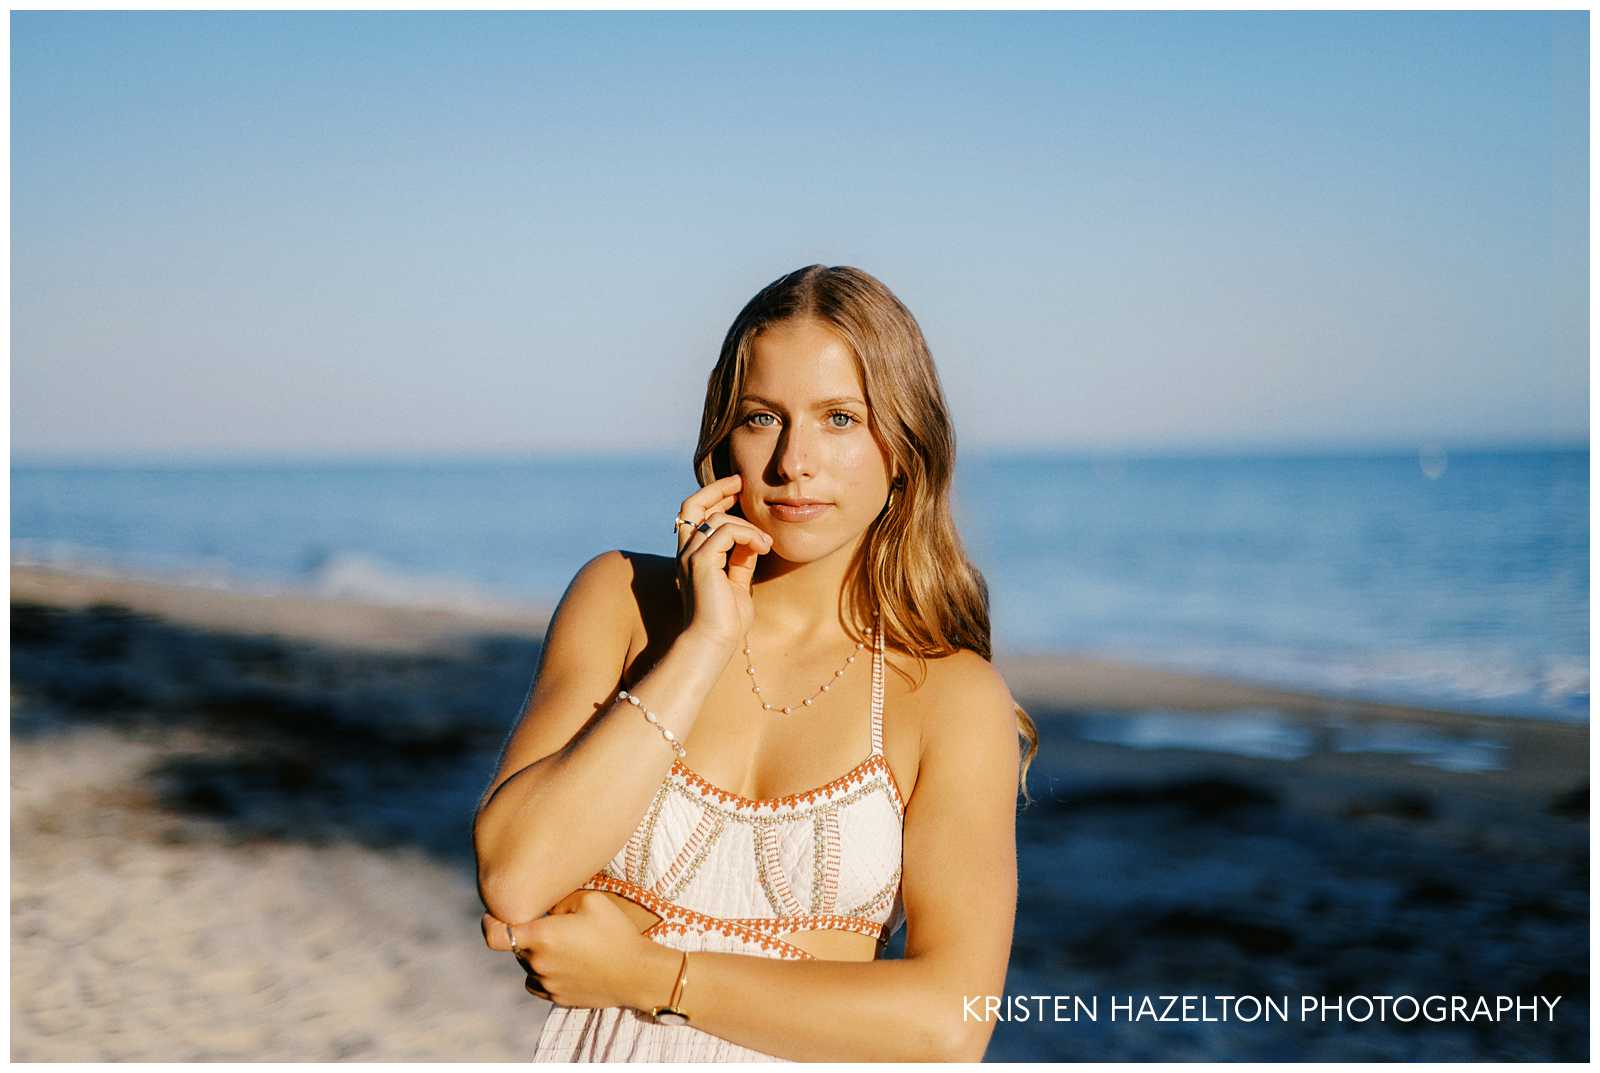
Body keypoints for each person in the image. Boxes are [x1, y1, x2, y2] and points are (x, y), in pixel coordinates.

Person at [471, 264, 1038, 1061]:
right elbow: (514, 877)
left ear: (904, 448)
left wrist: (657, 976)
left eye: (841, 418)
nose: (794, 461)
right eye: (763, 418)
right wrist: (701, 642)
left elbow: (950, 1020)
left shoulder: (948, 694)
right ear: (723, 436)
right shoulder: (624, 602)